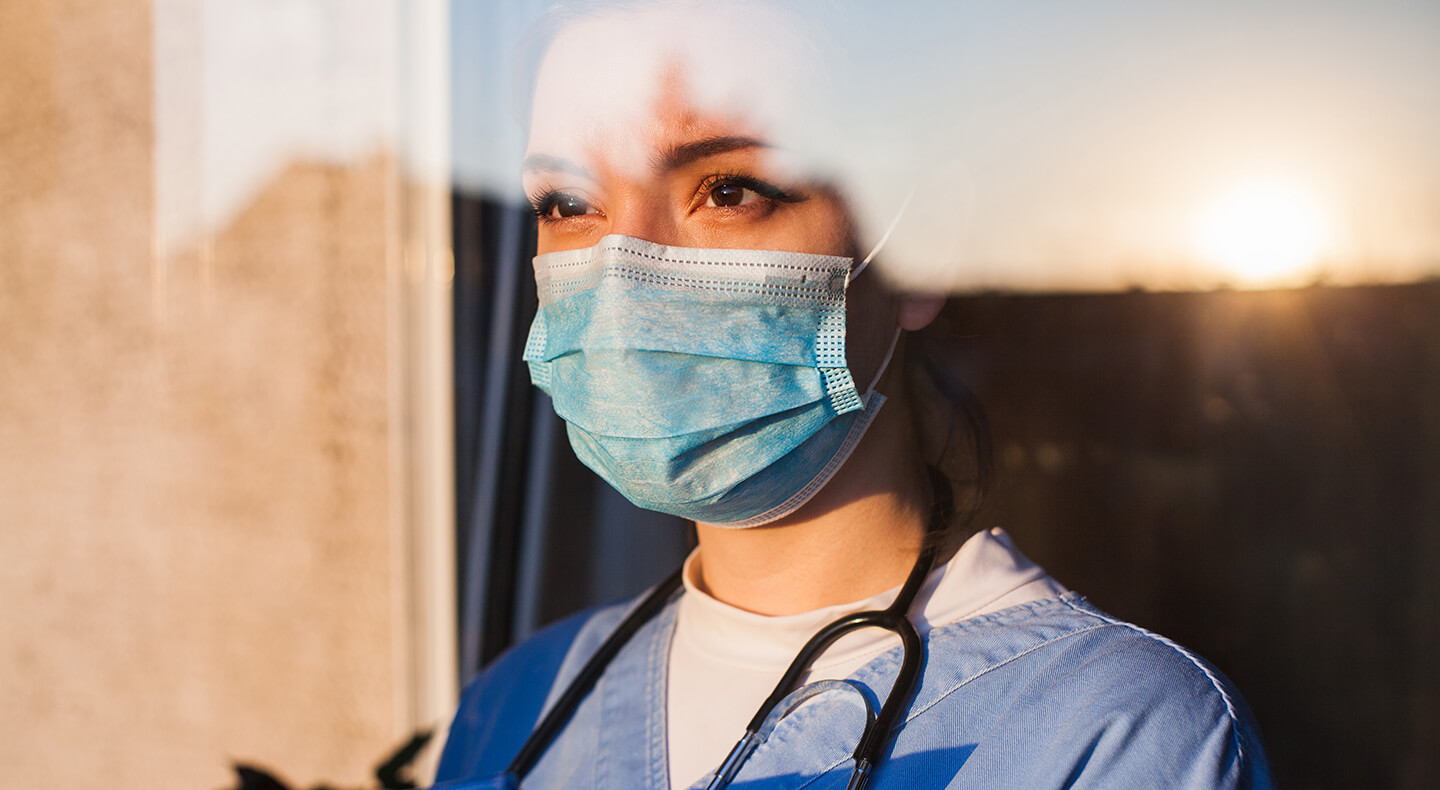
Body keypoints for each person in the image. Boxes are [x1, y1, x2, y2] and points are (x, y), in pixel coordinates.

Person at [432, 2, 1271, 788]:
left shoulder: (1115, 736)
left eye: (729, 190)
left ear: (923, 244)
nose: (624, 272)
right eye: (568, 202)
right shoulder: (515, 708)